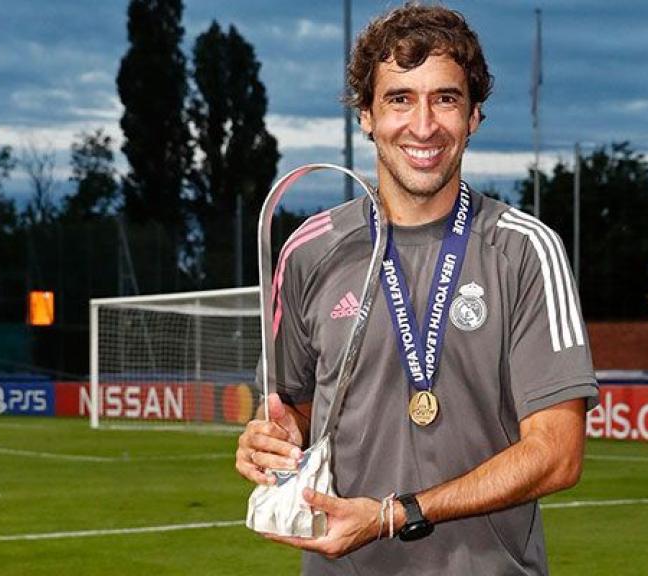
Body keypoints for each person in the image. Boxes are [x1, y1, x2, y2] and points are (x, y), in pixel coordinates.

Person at [235, 4, 599, 574]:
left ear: (474, 116)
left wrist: (394, 514)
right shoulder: (310, 250)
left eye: (446, 98)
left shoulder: (527, 251)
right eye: (400, 98)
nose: (423, 125)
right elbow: (292, 411)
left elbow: (557, 454)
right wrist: (271, 440)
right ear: (366, 115)